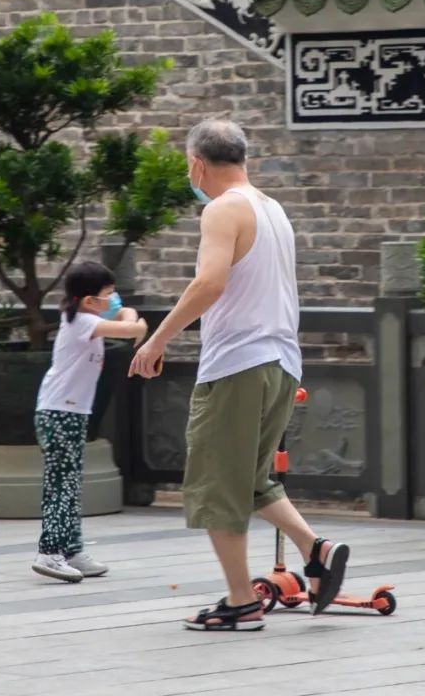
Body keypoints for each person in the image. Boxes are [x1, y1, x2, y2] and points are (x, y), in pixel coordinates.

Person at [128, 119, 350, 631]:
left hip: (237, 364)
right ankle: (315, 550)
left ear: (196, 164)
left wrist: (157, 339)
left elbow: (209, 283)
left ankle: (240, 601)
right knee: (251, 478)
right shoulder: (273, 210)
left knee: (215, 484)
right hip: (279, 362)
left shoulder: (221, 209)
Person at [33, 261, 147, 583]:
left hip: (71, 413)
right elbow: (131, 328)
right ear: (88, 300)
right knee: (61, 485)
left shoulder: (87, 317)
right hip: (59, 413)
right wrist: (134, 321)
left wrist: (127, 315)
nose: (113, 300)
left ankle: (71, 549)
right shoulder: (83, 322)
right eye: (107, 295)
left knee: (70, 482)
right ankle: (50, 552)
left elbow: (127, 316)